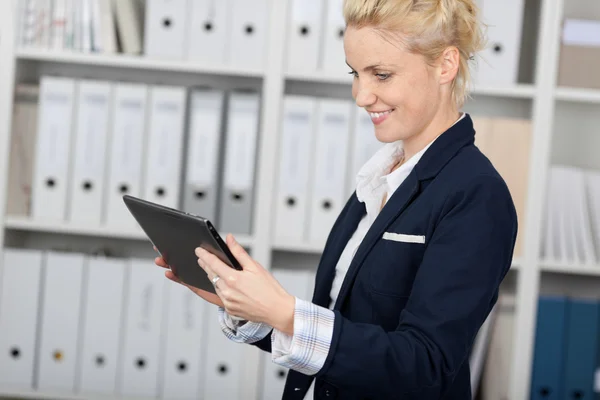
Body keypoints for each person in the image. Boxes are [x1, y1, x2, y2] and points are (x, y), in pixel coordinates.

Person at [155, 0, 518, 398]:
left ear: (445, 66)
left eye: (381, 75)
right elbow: (342, 335)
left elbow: (425, 365)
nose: (362, 96)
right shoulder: (380, 177)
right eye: (356, 74)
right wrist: (247, 305)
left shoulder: (477, 195)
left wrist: (285, 311)